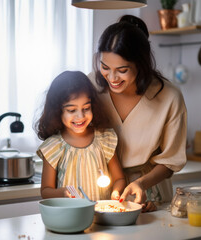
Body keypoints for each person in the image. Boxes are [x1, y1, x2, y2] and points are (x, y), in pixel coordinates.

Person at [89, 15, 187, 211]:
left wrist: (142, 184)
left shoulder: (169, 97)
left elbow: (170, 160)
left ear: (141, 65)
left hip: (150, 194)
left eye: (122, 70)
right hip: (101, 188)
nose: (112, 77)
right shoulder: (91, 85)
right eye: (105, 67)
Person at [35, 70, 126, 201]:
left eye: (86, 108)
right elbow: (45, 191)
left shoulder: (104, 139)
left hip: (102, 216)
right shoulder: (54, 146)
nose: (81, 116)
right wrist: (62, 192)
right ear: (57, 111)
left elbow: (119, 179)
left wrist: (116, 193)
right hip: (70, 217)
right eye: (72, 110)